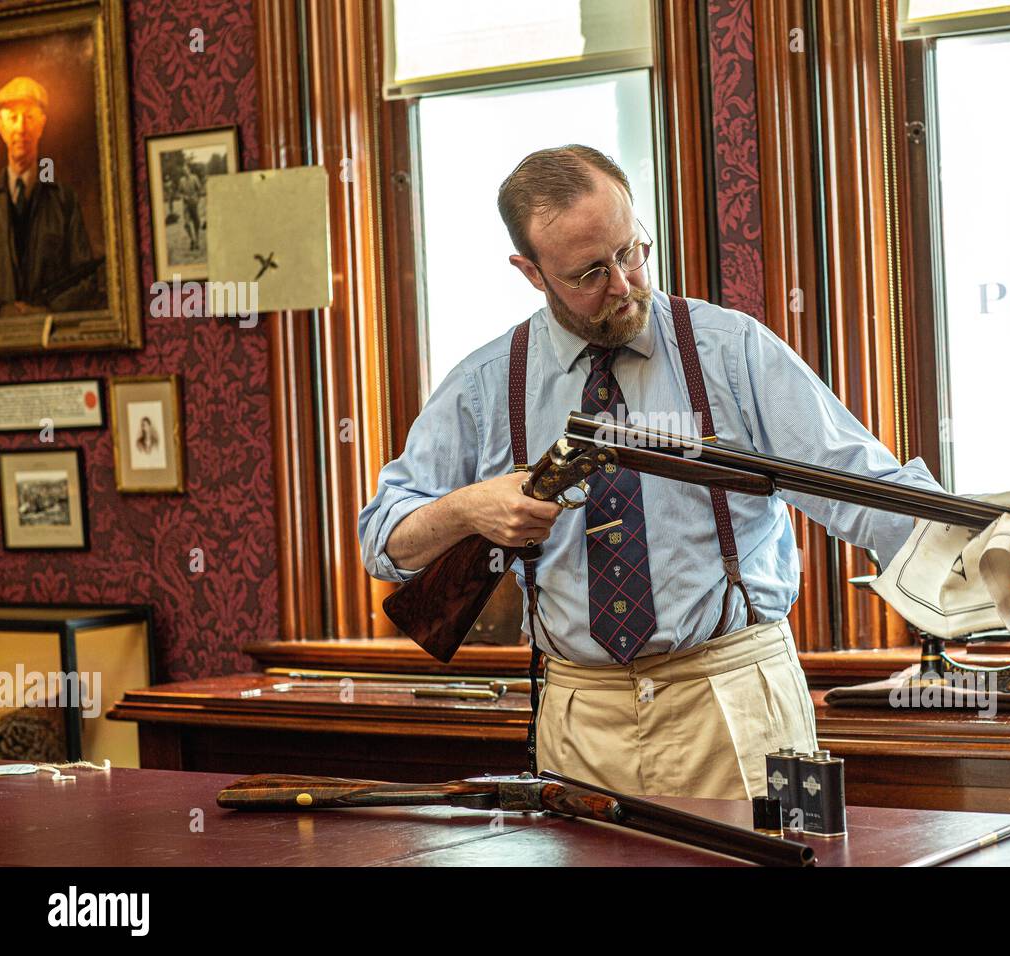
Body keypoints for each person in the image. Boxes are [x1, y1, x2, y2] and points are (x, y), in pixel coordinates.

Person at [359, 145, 943, 800]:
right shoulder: (486, 384)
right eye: (588, 273)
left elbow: (859, 487)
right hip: (580, 715)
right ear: (530, 272)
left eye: (631, 250)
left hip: (734, 697)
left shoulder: (729, 349)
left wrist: (981, 539)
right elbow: (384, 544)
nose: (625, 285)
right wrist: (470, 509)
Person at [0, 76, 102, 316]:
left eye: (30, 117)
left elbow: (87, 279)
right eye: (13, 118)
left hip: (51, 337)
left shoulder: (64, 200)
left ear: (41, 125)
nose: (21, 128)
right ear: (1, 127)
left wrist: (47, 310)